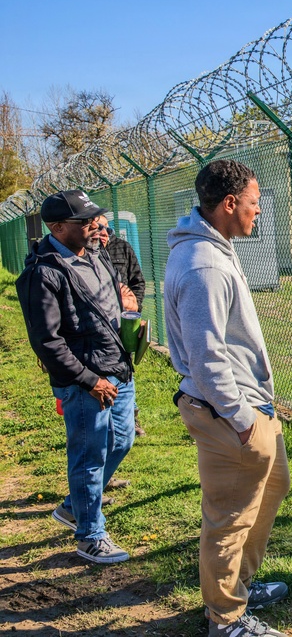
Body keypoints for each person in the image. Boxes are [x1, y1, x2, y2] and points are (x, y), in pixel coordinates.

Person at [164, 160, 290, 637]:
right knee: (230, 518)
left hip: (246, 406)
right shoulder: (205, 265)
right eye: (254, 203)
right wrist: (239, 418)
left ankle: (238, 583)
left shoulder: (215, 247)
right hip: (227, 410)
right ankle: (227, 619)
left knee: (272, 486)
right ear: (230, 203)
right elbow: (207, 355)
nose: (258, 212)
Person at [15, 189, 136, 564]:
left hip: (117, 368)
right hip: (87, 381)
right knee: (89, 456)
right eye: (83, 222)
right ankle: (90, 535)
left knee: (121, 442)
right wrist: (88, 379)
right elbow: (47, 342)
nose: (93, 226)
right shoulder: (43, 273)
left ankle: (73, 506)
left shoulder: (97, 255)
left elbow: (114, 300)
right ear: (56, 227)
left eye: (93, 219)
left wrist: (127, 302)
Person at [95, 214, 147, 437]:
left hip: (124, 321)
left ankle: (130, 417)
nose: (104, 233)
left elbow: (138, 282)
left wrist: (133, 310)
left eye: (108, 228)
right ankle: (105, 421)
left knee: (125, 369)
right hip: (99, 327)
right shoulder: (84, 257)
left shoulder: (122, 248)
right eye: (98, 228)